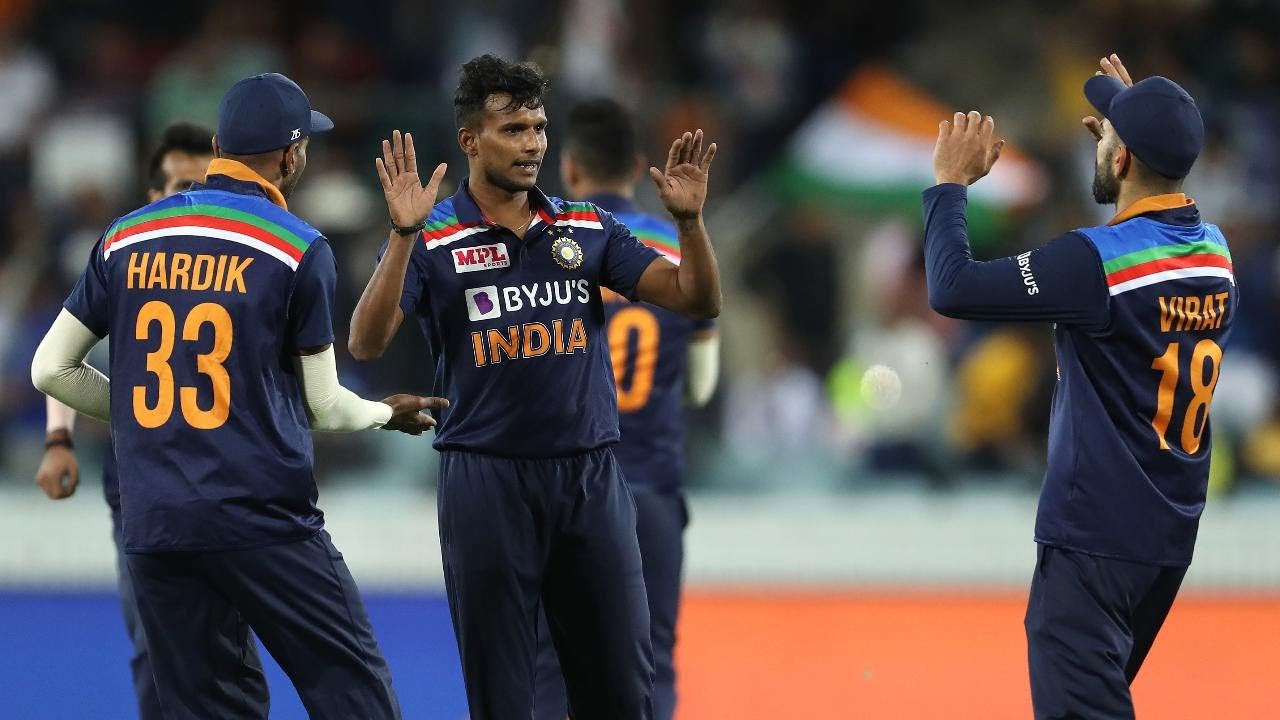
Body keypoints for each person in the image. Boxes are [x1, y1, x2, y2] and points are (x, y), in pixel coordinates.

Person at [31, 72, 445, 720]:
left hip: (157, 523)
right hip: (261, 519)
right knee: (354, 693)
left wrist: (148, 410)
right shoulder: (298, 248)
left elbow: (51, 369)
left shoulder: (123, 237)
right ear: (291, 156)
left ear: (219, 145)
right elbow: (325, 405)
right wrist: (383, 413)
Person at [348, 55, 721, 720]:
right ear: (470, 141)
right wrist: (402, 235)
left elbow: (695, 298)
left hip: (590, 478)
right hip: (486, 481)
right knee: (505, 698)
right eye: (514, 129)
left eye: (540, 128)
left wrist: (690, 224)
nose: (533, 145)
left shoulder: (586, 226)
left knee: (622, 693)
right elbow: (365, 342)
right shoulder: (433, 235)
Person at [922, 54, 1233, 718]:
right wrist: (1142, 126)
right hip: (1165, 539)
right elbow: (1157, 209)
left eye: (1110, 133)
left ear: (1121, 159)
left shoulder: (1093, 263)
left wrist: (950, 185)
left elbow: (951, 288)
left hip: (1095, 539)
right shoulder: (1216, 252)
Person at [531, 98, 720, 720]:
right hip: (652, 483)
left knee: (550, 665)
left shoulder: (545, 245)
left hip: (563, 485)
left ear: (570, 168)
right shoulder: (682, 250)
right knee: (650, 662)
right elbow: (701, 386)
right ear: (639, 168)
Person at [34, 121, 228, 720]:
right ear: (152, 194)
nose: (190, 198)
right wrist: (59, 438)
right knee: (155, 645)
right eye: (179, 186)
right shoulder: (126, 260)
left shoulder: (239, 262)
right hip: (143, 489)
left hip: (227, 487)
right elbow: (66, 354)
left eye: (202, 186)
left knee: (226, 652)